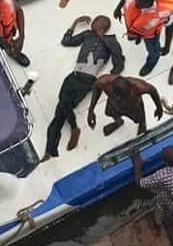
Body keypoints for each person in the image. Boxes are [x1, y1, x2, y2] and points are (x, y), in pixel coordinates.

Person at [42, 15, 125, 160]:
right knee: (61, 110)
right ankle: (50, 151)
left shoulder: (111, 41)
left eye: (97, 20)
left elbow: (119, 63)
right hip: (73, 75)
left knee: (63, 103)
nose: (93, 21)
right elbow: (66, 41)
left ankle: (72, 129)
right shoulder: (88, 35)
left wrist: (107, 79)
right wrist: (75, 23)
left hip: (88, 80)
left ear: (104, 25)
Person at [114, 0, 173, 76]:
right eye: (136, 1)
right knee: (134, 30)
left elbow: (170, 25)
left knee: (153, 51)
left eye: (140, 5)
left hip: (150, 36)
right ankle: (136, 36)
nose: (137, 5)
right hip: (133, 25)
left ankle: (151, 63)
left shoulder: (162, 12)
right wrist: (118, 7)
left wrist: (167, 46)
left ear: (150, 4)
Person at [87, 74, 163, 137]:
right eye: (119, 98)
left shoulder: (139, 86)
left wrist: (159, 107)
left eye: (125, 97)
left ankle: (142, 125)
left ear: (130, 89)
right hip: (114, 105)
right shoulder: (104, 82)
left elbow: (153, 90)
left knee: (140, 119)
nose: (123, 101)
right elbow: (96, 88)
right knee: (109, 112)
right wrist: (91, 110)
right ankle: (118, 122)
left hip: (134, 107)